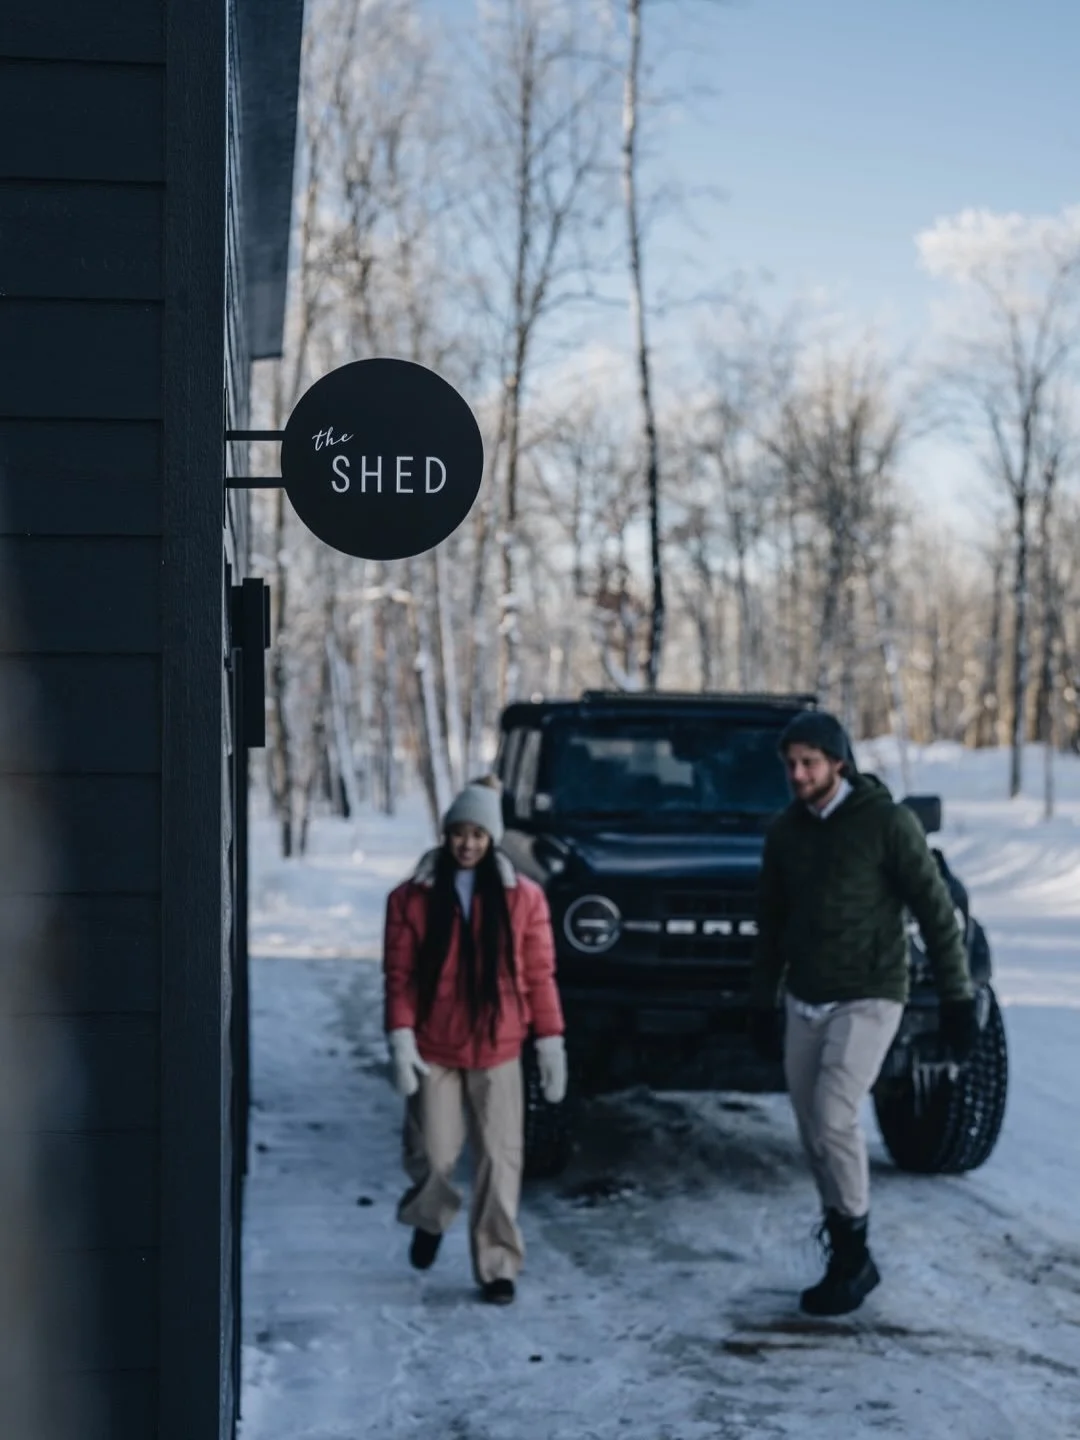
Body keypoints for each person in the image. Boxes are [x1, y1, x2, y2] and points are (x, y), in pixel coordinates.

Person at [748, 711, 980, 1317]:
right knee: (811, 1133)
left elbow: (935, 910)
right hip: (805, 996)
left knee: (832, 1116)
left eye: (810, 763)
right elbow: (770, 923)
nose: (798, 774)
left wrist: (958, 998)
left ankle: (854, 1253)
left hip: (871, 993)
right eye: (791, 764)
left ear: (838, 763)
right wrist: (761, 999)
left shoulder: (886, 823)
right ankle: (844, 1250)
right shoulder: (785, 832)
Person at [381, 776, 567, 1305]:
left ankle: (497, 1265)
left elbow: (539, 974)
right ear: (446, 834)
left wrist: (550, 1041)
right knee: (433, 1154)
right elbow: (399, 975)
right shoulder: (411, 898)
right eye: (459, 833)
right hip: (434, 1045)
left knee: (500, 1160)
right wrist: (399, 1036)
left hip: (498, 1044)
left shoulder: (522, 898)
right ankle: (430, 1217)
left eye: (478, 835)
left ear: (493, 839)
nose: (467, 844)